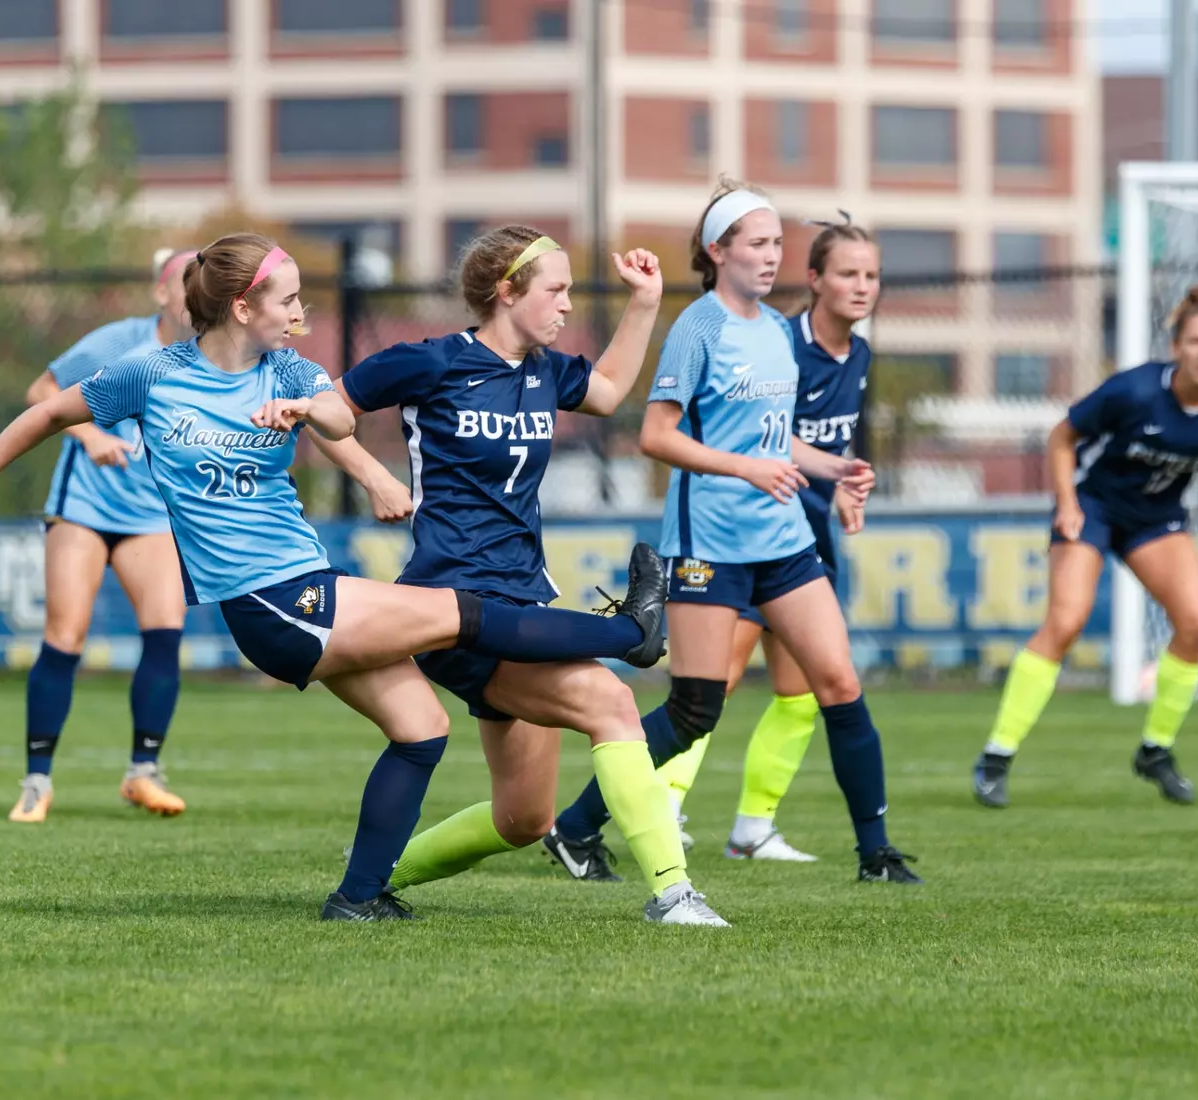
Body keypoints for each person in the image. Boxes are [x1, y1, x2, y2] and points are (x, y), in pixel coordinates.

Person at [0, 232, 671, 923]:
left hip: (304, 584)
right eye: (287, 300)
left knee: (422, 729)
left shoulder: (291, 371)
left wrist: (321, 422)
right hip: (269, 601)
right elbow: (47, 415)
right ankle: (627, 633)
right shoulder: (152, 374)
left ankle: (359, 898)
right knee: (464, 612)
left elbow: (338, 418)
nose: (300, 313)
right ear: (242, 308)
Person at [326, 227, 726, 927]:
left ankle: (370, 884)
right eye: (556, 289)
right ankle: (674, 895)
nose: (568, 304)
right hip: (453, 604)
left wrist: (644, 303)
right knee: (611, 701)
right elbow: (325, 411)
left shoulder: (545, 370)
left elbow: (607, 391)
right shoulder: (432, 361)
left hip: (524, 604)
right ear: (507, 292)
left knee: (523, 817)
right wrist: (373, 476)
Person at [545, 181, 922, 885]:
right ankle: (575, 826)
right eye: (757, 243)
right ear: (717, 251)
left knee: (839, 683)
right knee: (694, 710)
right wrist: (746, 468)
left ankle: (876, 855)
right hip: (710, 543)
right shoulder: (699, 327)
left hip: (783, 542)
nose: (772, 255)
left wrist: (836, 468)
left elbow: (775, 442)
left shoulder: (776, 330)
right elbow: (657, 437)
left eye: (777, 243)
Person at [971, 285, 1198, 808]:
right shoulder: (1135, 391)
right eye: (1195, 341)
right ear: (1176, 347)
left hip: (1156, 521)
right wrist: (1066, 504)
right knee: (1066, 622)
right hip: (1094, 507)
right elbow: (1062, 437)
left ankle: (1155, 749)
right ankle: (996, 755)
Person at [653, 215, 880, 862]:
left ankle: (754, 827)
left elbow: (807, 447)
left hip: (803, 539)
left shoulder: (859, 355)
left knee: (803, 692)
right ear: (815, 280)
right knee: (710, 687)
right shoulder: (776, 339)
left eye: (871, 275)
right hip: (745, 534)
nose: (861, 287)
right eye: (847, 274)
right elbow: (747, 438)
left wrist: (840, 482)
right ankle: (658, 805)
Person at [11, 246, 198, 824]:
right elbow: (41, 392)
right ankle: (36, 781)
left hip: (152, 515)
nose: (196, 292)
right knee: (65, 636)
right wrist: (90, 435)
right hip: (85, 509)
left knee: (165, 632)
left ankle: (143, 773)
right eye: (185, 282)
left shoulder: (217, 358)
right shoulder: (120, 342)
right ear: (161, 293)